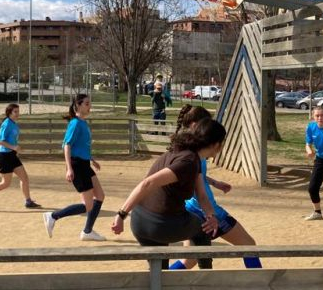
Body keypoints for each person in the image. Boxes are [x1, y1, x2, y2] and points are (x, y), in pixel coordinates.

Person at [110, 119, 225, 269]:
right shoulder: (189, 161)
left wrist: (211, 216)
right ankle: (208, 281)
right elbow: (148, 183)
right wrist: (121, 214)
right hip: (160, 223)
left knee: (160, 276)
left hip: (140, 222)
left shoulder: (185, 153)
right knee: (203, 230)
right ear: (217, 144)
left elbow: (202, 195)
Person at [167, 105, 262, 270]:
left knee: (189, 260)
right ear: (195, 125)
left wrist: (214, 182)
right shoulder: (194, 152)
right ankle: (259, 284)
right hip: (206, 211)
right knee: (248, 246)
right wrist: (211, 214)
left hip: (189, 210)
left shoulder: (187, 150)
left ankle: (158, 282)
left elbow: (193, 173)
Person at [42, 94, 106, 241]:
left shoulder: (83, 123)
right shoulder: (75, 123)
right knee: (87, 205)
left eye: (90, 104)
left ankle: (87, 231)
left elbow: (81, 146)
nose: (90, 107)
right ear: (78, 105)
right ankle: (52, 216)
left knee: (100, 196)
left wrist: (92, 160)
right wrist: (69, 168)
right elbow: (67, 146)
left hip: (84, 164)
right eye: (87, 104)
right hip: (77, 165)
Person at [0, 103, 40, 210]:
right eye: (15, 112)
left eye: (18, 111)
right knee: (6, 183)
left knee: (24, 178)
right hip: (4, 156)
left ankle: (28, 201)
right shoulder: (6, 123)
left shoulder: (14, 124)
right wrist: (13, 147)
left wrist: (15, 150)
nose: (17, 114)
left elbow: (12, 139)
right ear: (9, 113)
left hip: (11, 155)